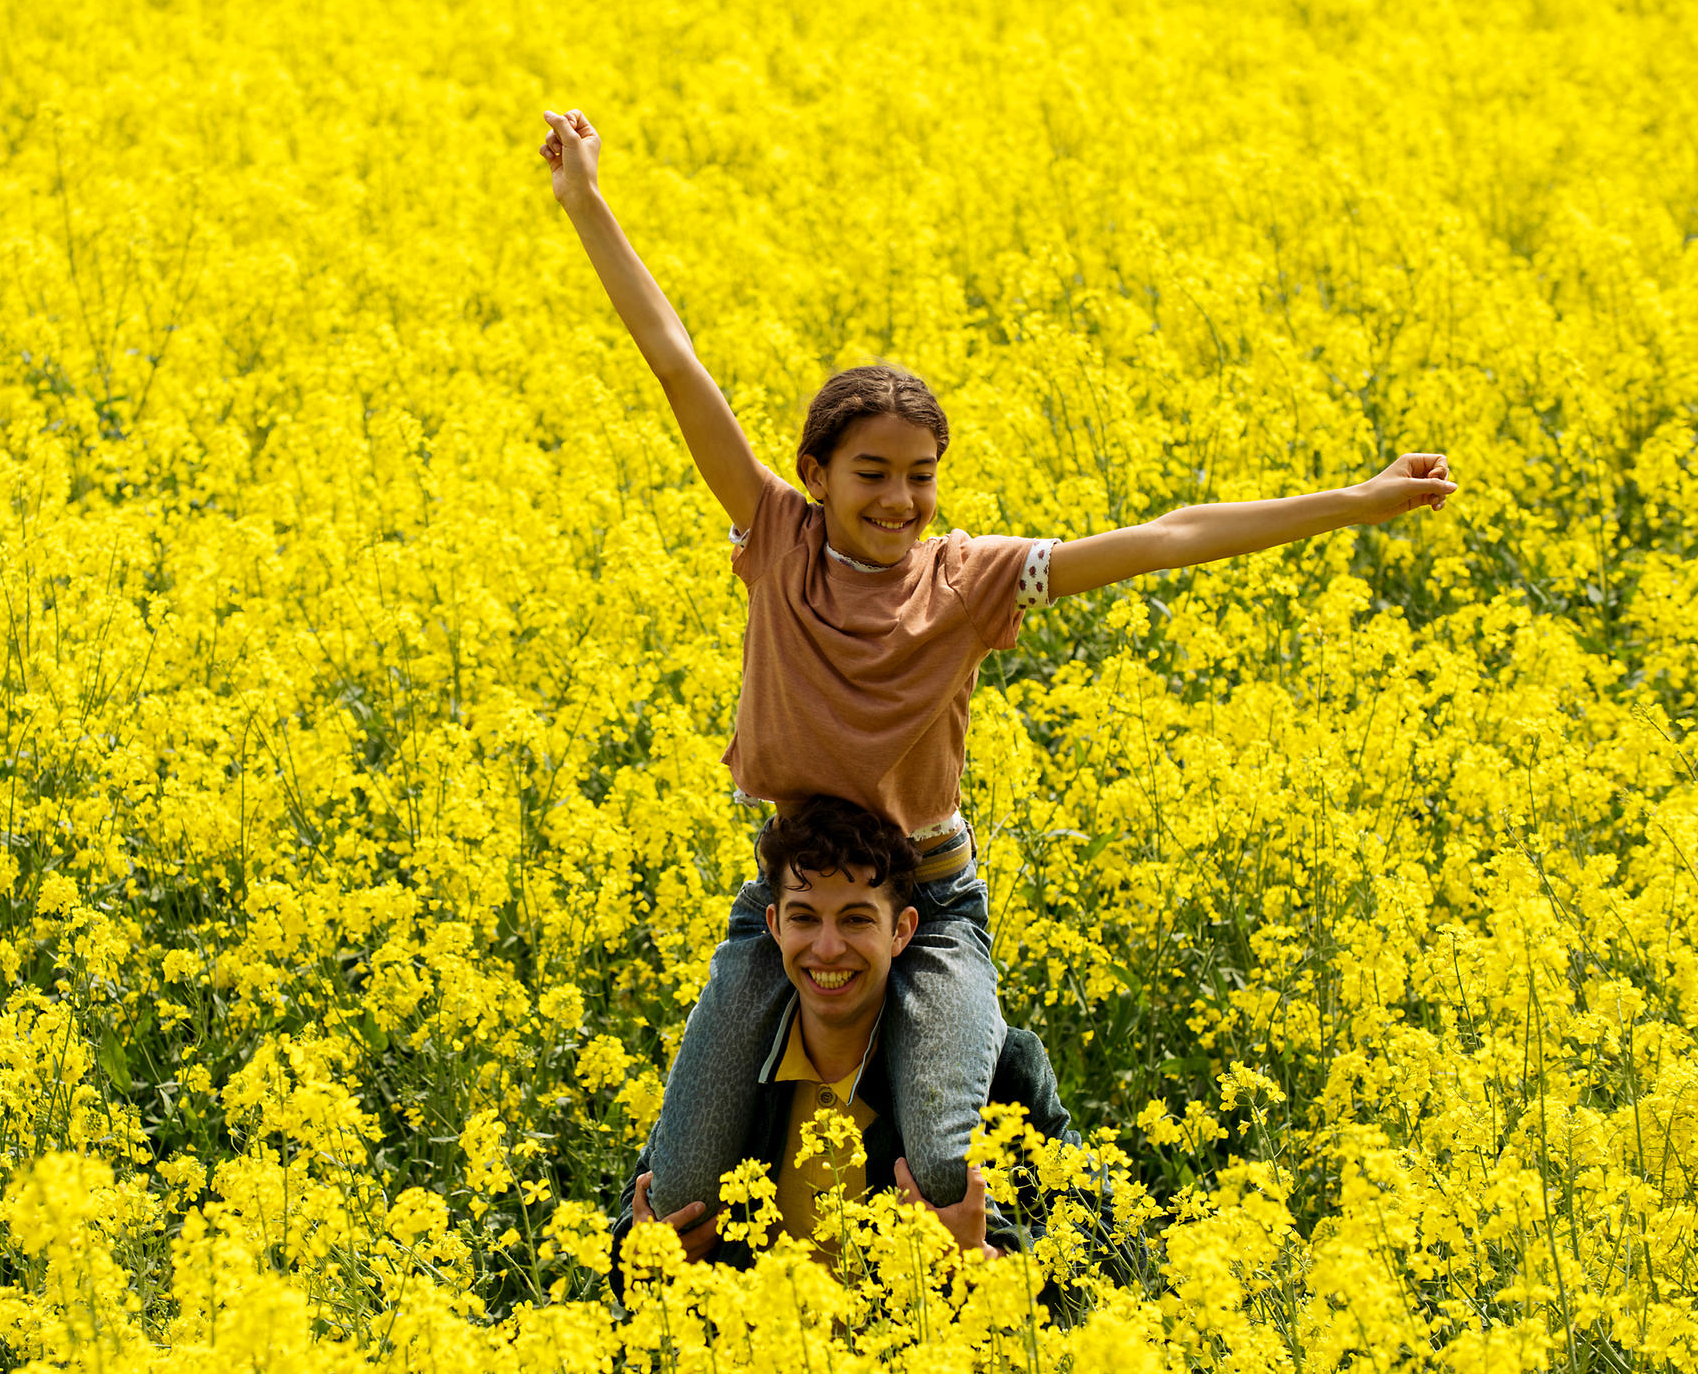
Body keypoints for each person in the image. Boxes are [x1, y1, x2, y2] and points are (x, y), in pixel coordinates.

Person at [539, 106, 1461, 1216]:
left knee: (938, 1163)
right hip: (790, 898)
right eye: (872, 473)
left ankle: (1021, 1270)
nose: (901, 499)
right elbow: (673, 360)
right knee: (674, 1186)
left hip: (928, 894)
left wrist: (1354, 504)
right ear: (815, 473)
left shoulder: (967, 580)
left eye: (921, 474)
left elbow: (1164, 535)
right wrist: (586, 202)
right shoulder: (772, 534)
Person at [610, 796, 1090, 1272]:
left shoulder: (994, 1067)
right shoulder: (730, 1064)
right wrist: (638, 1260)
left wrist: (989, 1264)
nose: (828, 948)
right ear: (773, 924)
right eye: (804, 918)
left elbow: (1104, 1238)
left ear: (901, 930)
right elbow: (628, 1243)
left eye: (857, 920)